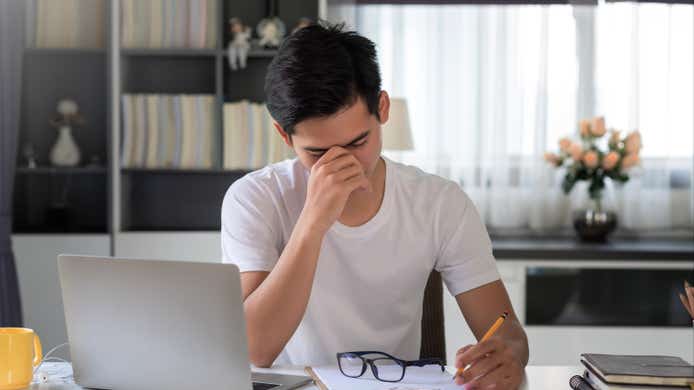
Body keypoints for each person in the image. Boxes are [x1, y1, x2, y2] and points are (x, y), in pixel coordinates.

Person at [221, 22, 529, 388]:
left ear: (381, 108)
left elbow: (507, 328)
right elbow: (255, 348)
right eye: (317, 153)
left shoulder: (440, 203)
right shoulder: (255, 198)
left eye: (357, 142)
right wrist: (313, 222)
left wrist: (507, 354)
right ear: (283, 135)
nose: (342, 164)